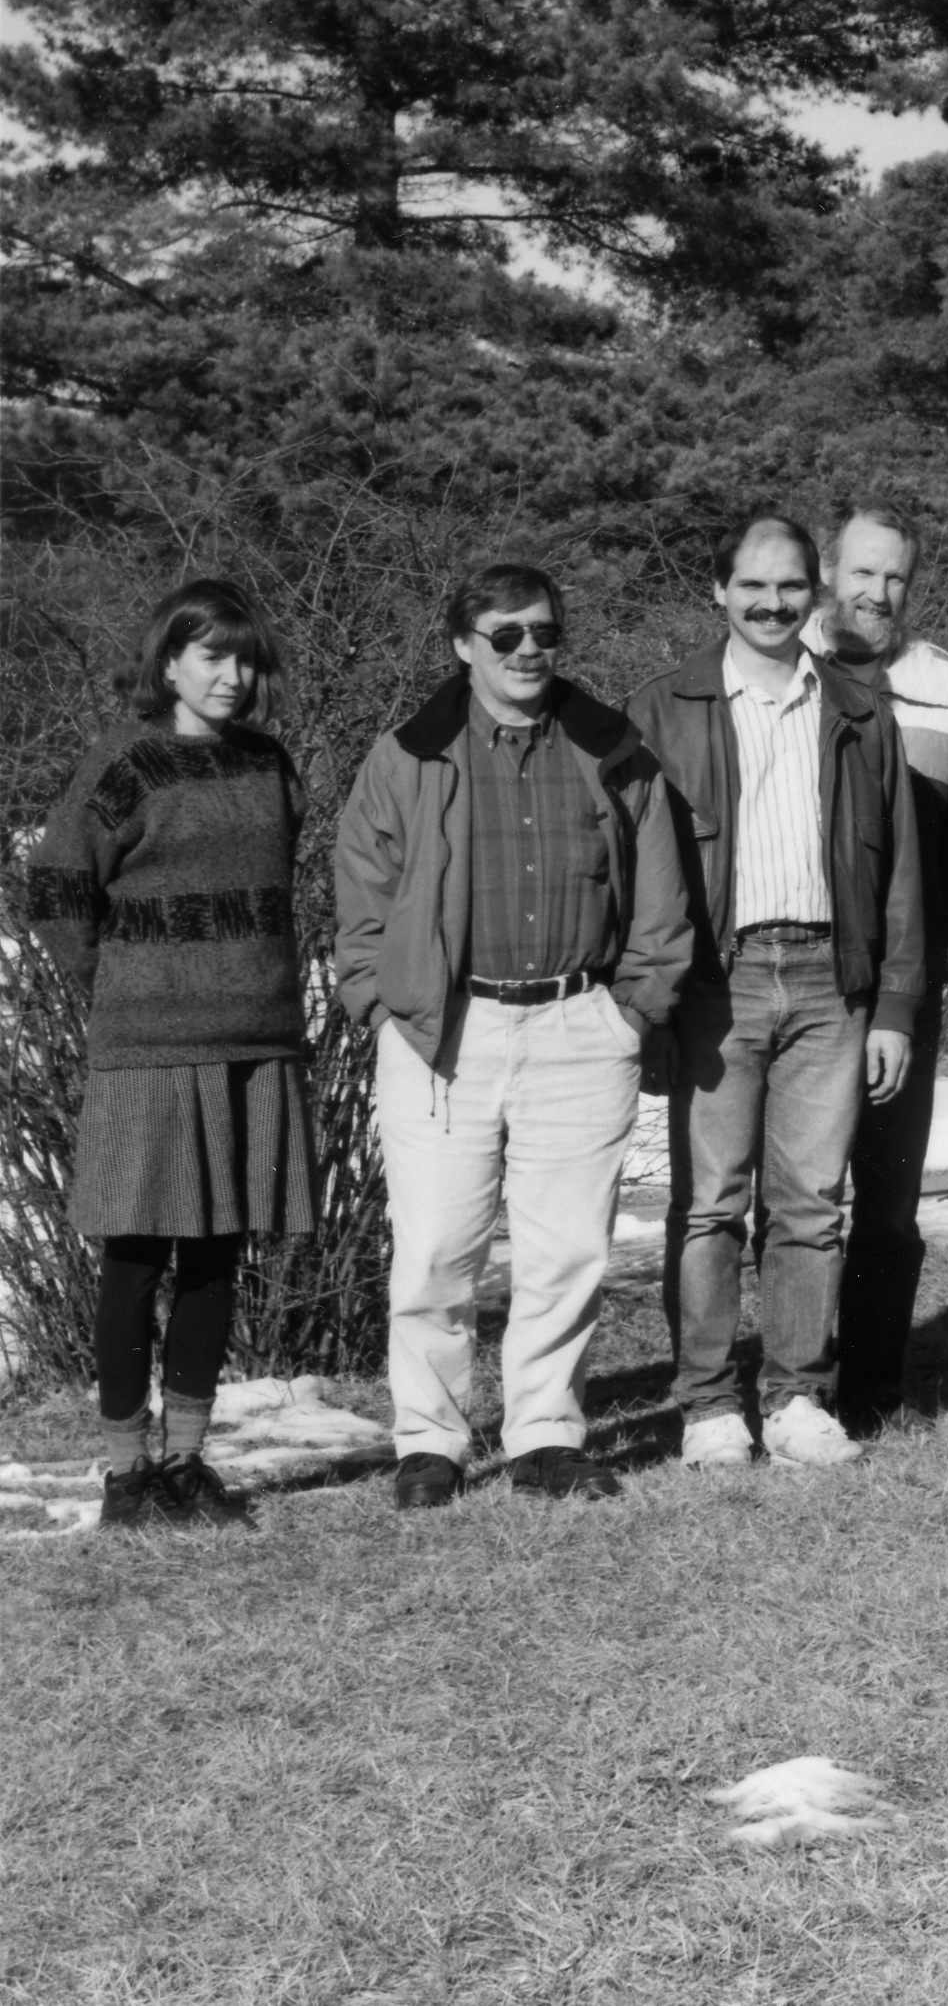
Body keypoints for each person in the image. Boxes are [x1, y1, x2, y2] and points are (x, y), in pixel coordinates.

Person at [338, 563, 693, 1511]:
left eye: (543, 631)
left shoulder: (611, 745)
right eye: (505, 635)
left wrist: (632, 1008)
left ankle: (544, 1433)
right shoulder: (410, 754)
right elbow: (361, 888)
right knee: (435, 1251)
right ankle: (432, 1441)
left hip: (583, 1022)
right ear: (464, 645)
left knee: (567, 1247)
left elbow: (659, 880)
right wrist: (380, 1003)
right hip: (442, 1027)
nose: (529, 649)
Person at [625, 513, 924, 1471]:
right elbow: (630, 875)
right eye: (752, 585)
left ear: (816, 593)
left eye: (791, 586)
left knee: (811, 1202)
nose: (771, 603)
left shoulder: (860, 710)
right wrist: (654, 1005)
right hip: (718, 980)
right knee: (711, 1201)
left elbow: (902, 877)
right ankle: (709, 1403)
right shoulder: (662, 708)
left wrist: (895, 1006)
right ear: (718, 590)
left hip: (832, 980)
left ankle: (800, 1394)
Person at [31, 580, 317, 1528]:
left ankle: (189, 1463)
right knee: (135, 1256)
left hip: (255, 1041)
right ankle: (126, 1474)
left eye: (243, 659)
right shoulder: (126, 764)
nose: (231, 677)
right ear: (168, 663)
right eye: (210, 657)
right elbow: (60, 881)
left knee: (217, 1255)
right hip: (150, 1049)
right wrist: (116, 984)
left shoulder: (270, 763)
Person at [818, 506, 948, 1433]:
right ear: (829, 569)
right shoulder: (782, 669)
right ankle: (790, 1374)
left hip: (905, 982)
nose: (877, 593)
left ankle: (870, 1383)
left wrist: (941, 925)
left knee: (887, 1199)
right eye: (862, 572)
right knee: (791, 1193)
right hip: (797, 975)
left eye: (895, 576)